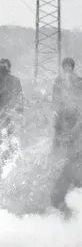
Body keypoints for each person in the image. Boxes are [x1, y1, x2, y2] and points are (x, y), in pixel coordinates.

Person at [50, 57, 82, 210]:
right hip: (63, 118)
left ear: (72, 67)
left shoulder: (78, 80)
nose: (67, 68)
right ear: (63, 67)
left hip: (75, 118)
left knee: (73, 152)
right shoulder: (59, 81)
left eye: (69, 65)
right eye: (65, 65)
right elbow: (55, 99)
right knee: (60, 145)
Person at [0, 59, 24, 135]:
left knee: (11, 135)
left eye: (4, 66)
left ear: (8, 68)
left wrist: (20, 112)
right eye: (1, 66)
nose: (2, 69)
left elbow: (19, 96)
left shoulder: (15, 81)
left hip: (11, 112)